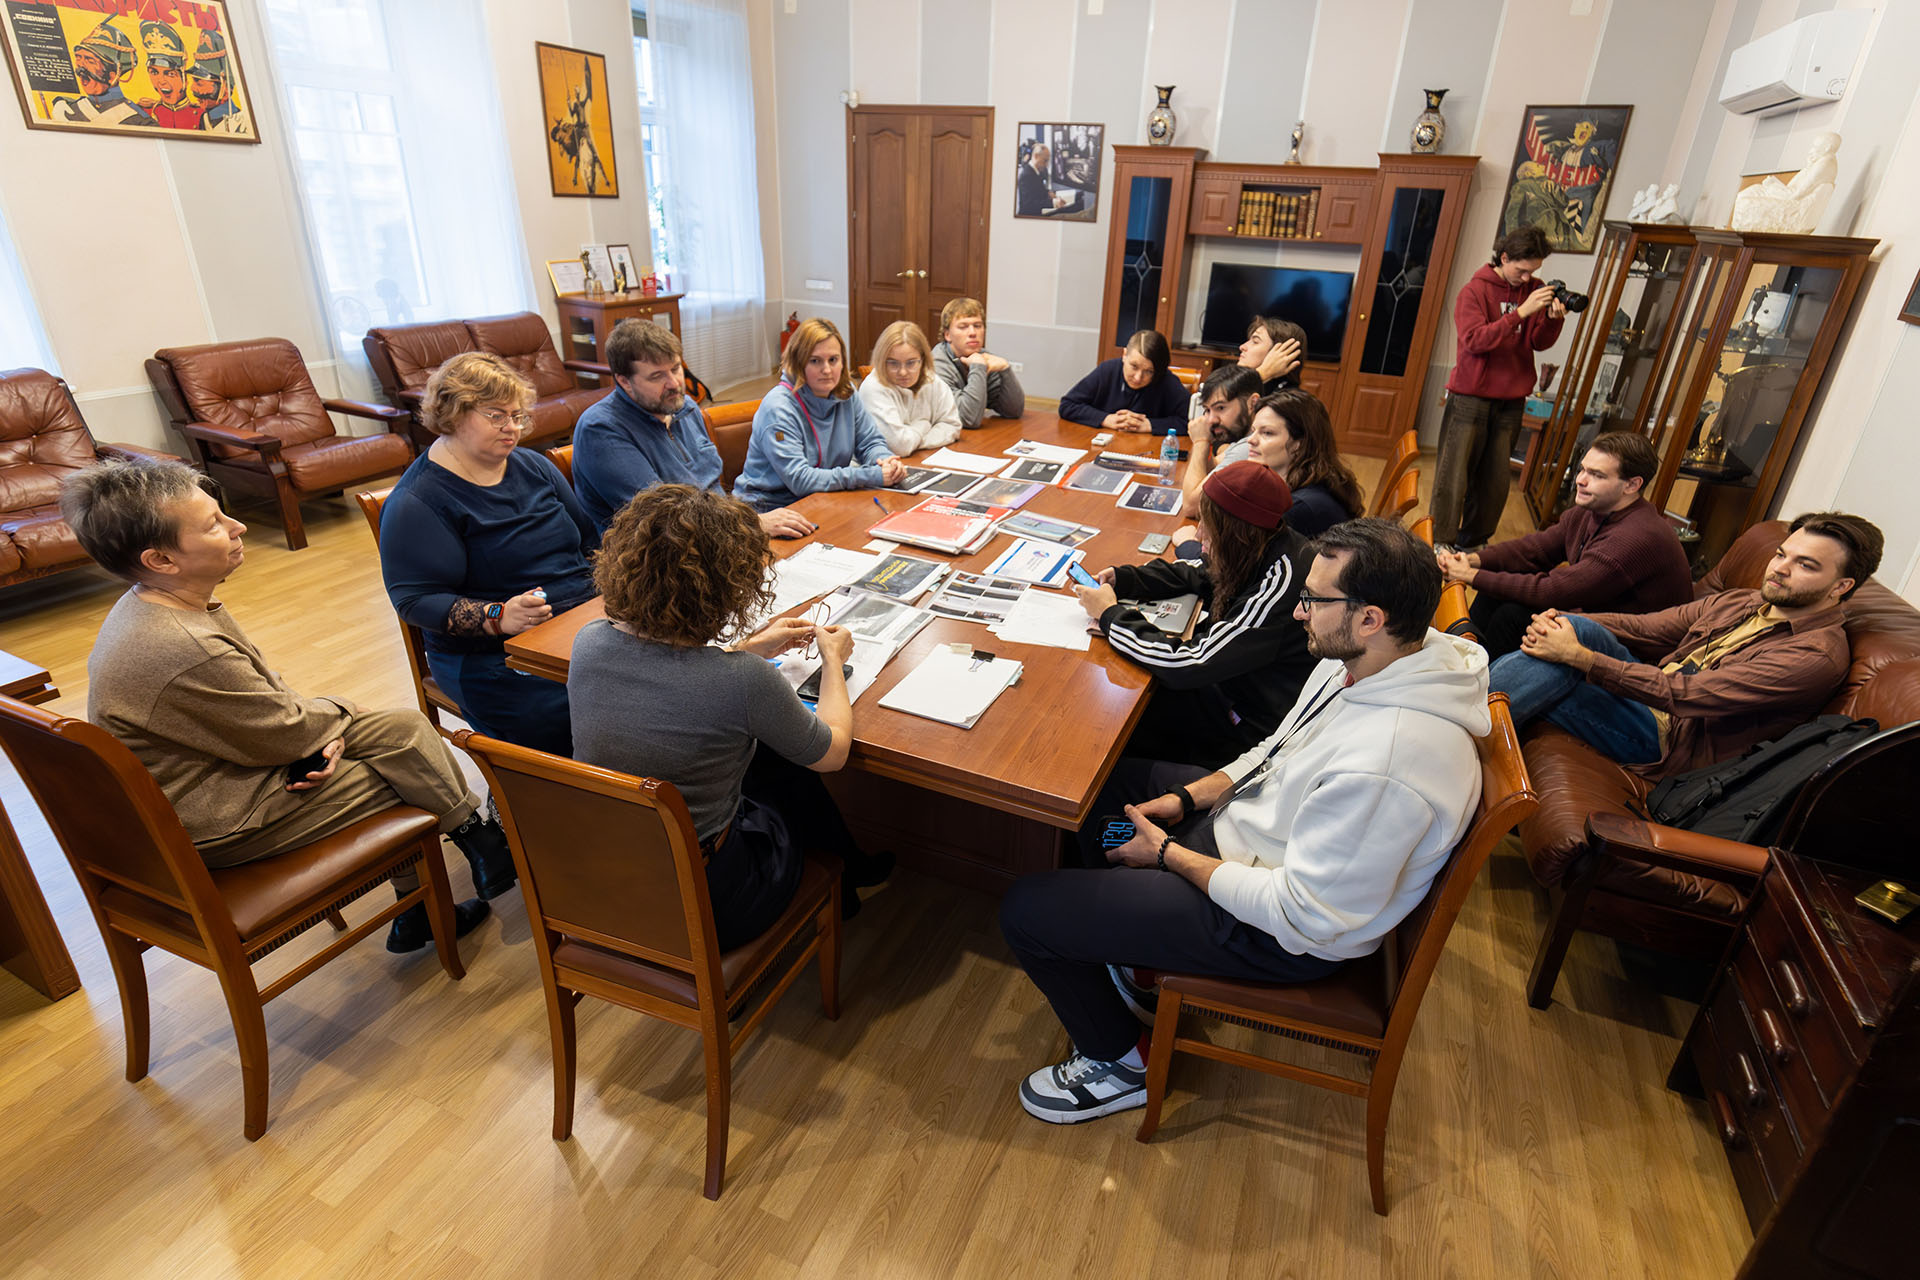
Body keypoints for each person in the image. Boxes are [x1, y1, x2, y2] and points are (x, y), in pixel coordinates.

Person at [1002, 518, 1488, 1123]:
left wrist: (1168, 855)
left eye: (1314, 600)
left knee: (1026, 912)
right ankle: (1132, 953)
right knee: (1097, 789)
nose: (1298, 612)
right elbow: (1275, 751)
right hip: (1250, 837)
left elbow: (1303, 915)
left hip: (1279, 932)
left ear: (1370, 617)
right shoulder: (1377, 659)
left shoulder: (1389, 764)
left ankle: (1121, 1062)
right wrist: (1188, 799)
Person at [63, 460, 512, 954]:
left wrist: (319, 734)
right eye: (213, 525)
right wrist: (320, 732)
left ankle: (468, 845)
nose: (238, 526)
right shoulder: (182, 644)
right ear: (161, 560)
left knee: (404, 730)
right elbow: (285, 732)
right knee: (402, 772)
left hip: (227, 767)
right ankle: (446, 875)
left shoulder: (156, 603)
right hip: (215, 820)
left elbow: (265, 700)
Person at [568, 486, 893, 939]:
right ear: (726, 584)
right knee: (788, 769)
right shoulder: (742, 680)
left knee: (770, 756)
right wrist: (833, 661)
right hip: (708, 900)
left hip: (608, 873)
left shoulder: (589, 642)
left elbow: (677, 677)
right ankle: (842, 880)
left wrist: (747, 647)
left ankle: (848, 877)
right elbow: (834, 753)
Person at [1490, 512, 1882, 777]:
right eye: (1781, 554)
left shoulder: (1814, 655)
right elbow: (1647, 628)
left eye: (1805, 565)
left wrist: (1582, 659)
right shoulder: (1747, 601)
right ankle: (1465, 717)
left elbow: (1687, 694)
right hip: (1652, 700)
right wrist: (1560, 618)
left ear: (1841, 586)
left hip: (1671, 740)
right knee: (1574, 628)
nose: (1780, 568)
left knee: (1559, 675)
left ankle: (1463, 719)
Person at [379, 352, 598, 758]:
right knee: (577, 713)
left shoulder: (534, 466)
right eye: (496, 416)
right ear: (453, 413)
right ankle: (548, 789)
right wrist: (498, 615)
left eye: (517, 416)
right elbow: (414, 600)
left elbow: (589, 540)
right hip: (491, 654)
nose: (512, 427)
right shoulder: (417, 500)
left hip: (576, 626)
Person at [1074, 462, 1316, 769]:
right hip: (1227, 691)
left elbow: (1188, 663)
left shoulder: (1281, 584)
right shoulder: (1263, 542)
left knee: (1103, 726)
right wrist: (1124, 579)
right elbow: (1200, 571)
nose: (1199, 533)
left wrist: (1110, 615)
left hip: (1243, 729)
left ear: (1235, 533)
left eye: (1207, 524)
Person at [1438, 432, 1691, 657]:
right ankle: (1457, 663)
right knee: (1495, 594)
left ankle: (1480, 685)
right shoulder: (1593, 509)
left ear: (1632, 485)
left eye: (1596, 475)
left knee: (1512, 616)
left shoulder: (1635, 537)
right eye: (1583, 470)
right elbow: (1534, 549)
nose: (1581, 480)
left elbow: (1552, 591)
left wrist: (1470, 575)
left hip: (1637, 651)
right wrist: (1472, 560)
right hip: (1596, 618)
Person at [570, 319, 812, 537]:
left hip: (720, 536)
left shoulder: (684, 407)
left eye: (676, 368)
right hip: (658, 557)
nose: (674, 383)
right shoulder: (601, 430)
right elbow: (663, 520)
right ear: (624, 381)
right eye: (656, 376)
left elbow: (712, 490)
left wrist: (743, 524)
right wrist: (750, 524)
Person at [1431, 226, 1566, 552]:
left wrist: (1552, 319)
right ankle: (1440, 543)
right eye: (1522, 270)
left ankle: (1474, 544)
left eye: (1534, 271)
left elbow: (1538, 342)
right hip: (1470, 398)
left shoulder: (1534, 290)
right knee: (1453, 477)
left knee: (1494, 484)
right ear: (1504, 258)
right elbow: (1474, 341)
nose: (1528, 278)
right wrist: (1520, 313)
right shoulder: (1474, 292)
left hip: (1511, 401)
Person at [734, 317, 906, 512]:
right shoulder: (778, 408)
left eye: (833, 360)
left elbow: (870, 442)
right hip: (770, 508)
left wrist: (885, 461)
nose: (827, 370)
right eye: (815, 361)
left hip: (823, 496)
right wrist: (872, 475)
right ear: (798, 363)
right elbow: (800, 480)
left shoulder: (847, 393)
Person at [1171, 388, 1363, 555]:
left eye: (1267, 433)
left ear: (1299, 444)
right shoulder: (1300, 482)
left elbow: (1237, 573)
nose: (1251, 440)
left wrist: (1189, 545)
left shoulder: (1300, 509)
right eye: (1253, 431)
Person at [857, 320, 962, 455]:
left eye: (911, 363)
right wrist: (923, 424)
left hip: (921, 457)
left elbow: (952, 425)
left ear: (922, 360)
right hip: (877, 464)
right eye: (893, 363)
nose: (903, 372)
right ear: (882, 361)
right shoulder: (873, 387)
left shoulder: (932, 381)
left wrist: (914, 442)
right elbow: (899, 446)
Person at [1058, 330, 1191, 436]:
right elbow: (1067, 405)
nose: (1138, 378)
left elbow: (1193, 421)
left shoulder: (1167, 381)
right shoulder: (1107, 371)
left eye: (1149, 371)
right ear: (1124, 355)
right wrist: (1105, 419)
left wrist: (1150, 425)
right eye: (1134, 366)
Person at [1176, 365, 1263, 517]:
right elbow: (1213, 467)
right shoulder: (1245, 435)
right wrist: (1206, 441)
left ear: (1252, 403)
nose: (1211, 420)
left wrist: (1201, 442)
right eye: (1207, 410)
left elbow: (1191, 506)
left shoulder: (1251, 446)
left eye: (1221, 408)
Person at [932, 298, 1027, 428]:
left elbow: (1014, 411)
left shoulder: (982, 356)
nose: (972, 333)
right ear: (947, 335)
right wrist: (977, 367)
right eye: (963, 327)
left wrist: (1006, 369)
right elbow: (969, 419)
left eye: (977, 326)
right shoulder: (937, 364)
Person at [50, 21, 155, 127]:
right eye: (78, 57)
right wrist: (59, 100)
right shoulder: (70, 108)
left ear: (112, 77)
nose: (80, 66)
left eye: (90, 60)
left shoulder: (140, 121)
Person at [137, 22, 201, 130]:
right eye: (154, 73)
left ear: (185, 78)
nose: (161, 81)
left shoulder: (202, 115)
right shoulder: (143, 112)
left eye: (170, 74)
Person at [1237, 317, 1306, 397]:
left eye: (1255, 342)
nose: (1242, 347)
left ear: (1282, 354)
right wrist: (1263, 374)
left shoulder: (1286, 401)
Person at [1016, 141, 1071, 216]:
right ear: (1036, 156)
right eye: (1045, 160)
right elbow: (1028, 205)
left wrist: (1048, 193)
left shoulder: (1037, 171)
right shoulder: (1026, 175)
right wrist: (1053, 203)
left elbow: (1038, 191)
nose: (1046, 165)